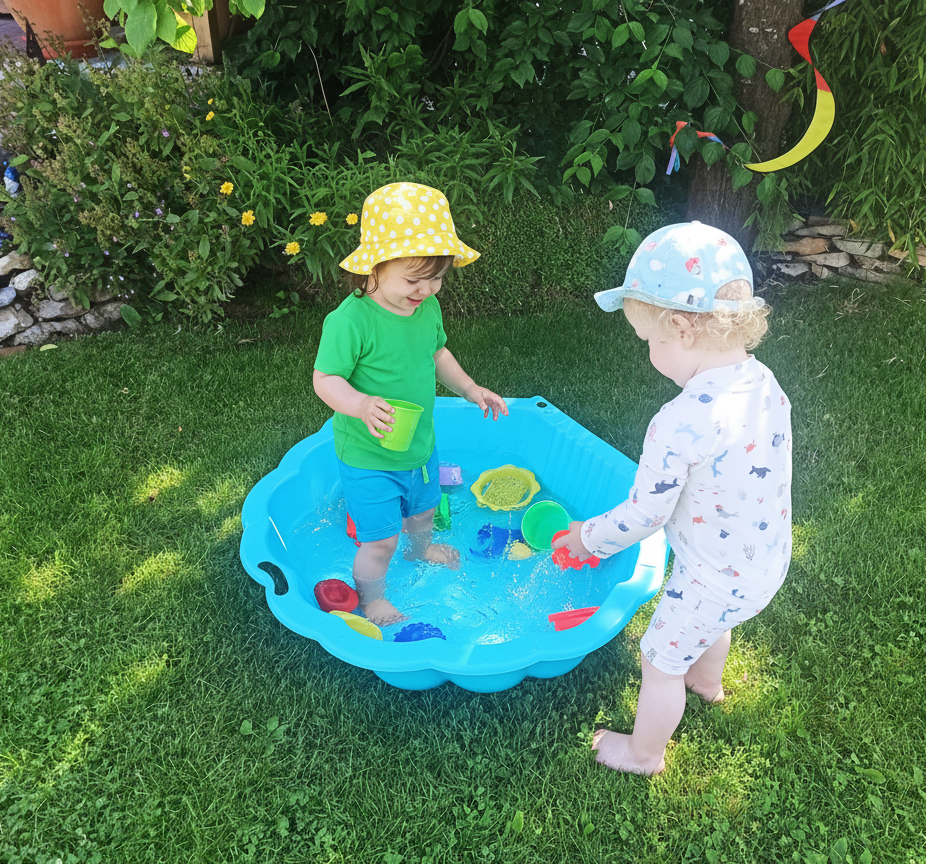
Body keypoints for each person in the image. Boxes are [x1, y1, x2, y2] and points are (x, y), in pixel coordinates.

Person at [552, 221, 793, 775]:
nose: (650, 352)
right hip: (761, 562)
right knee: (715, 621)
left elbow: (646, 513)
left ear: (682, 329)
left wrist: (587, 538)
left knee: (658, 662)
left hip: (710, 574)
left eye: (651, 340)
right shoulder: (764, 383)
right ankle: (708, 683)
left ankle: (643, 752)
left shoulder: (679, 422)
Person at [313, 182, 508, 626]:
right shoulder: (350, 321)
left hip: (419, 449)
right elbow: (324, 378)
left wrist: (471, 388)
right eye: (413, 279)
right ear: (375, 269)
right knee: (379, 542)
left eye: (436, 277)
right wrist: (360, 404)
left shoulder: (427, 309)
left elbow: (437, 354)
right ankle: (373, 597)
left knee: (422, 515)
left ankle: (422, 551)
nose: (426, 289)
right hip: (369, 457)